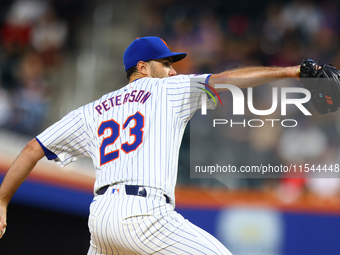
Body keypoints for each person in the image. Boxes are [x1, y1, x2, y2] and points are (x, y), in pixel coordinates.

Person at [0, 36, 300, 254]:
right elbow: (225, 79)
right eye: (166, 63)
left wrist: (1, 202)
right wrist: (292, 72)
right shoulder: (166, 89)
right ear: (143, 67)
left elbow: (31, 149)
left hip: (101, 217)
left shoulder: (92, 110)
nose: (173, 71)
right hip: (145, 214)